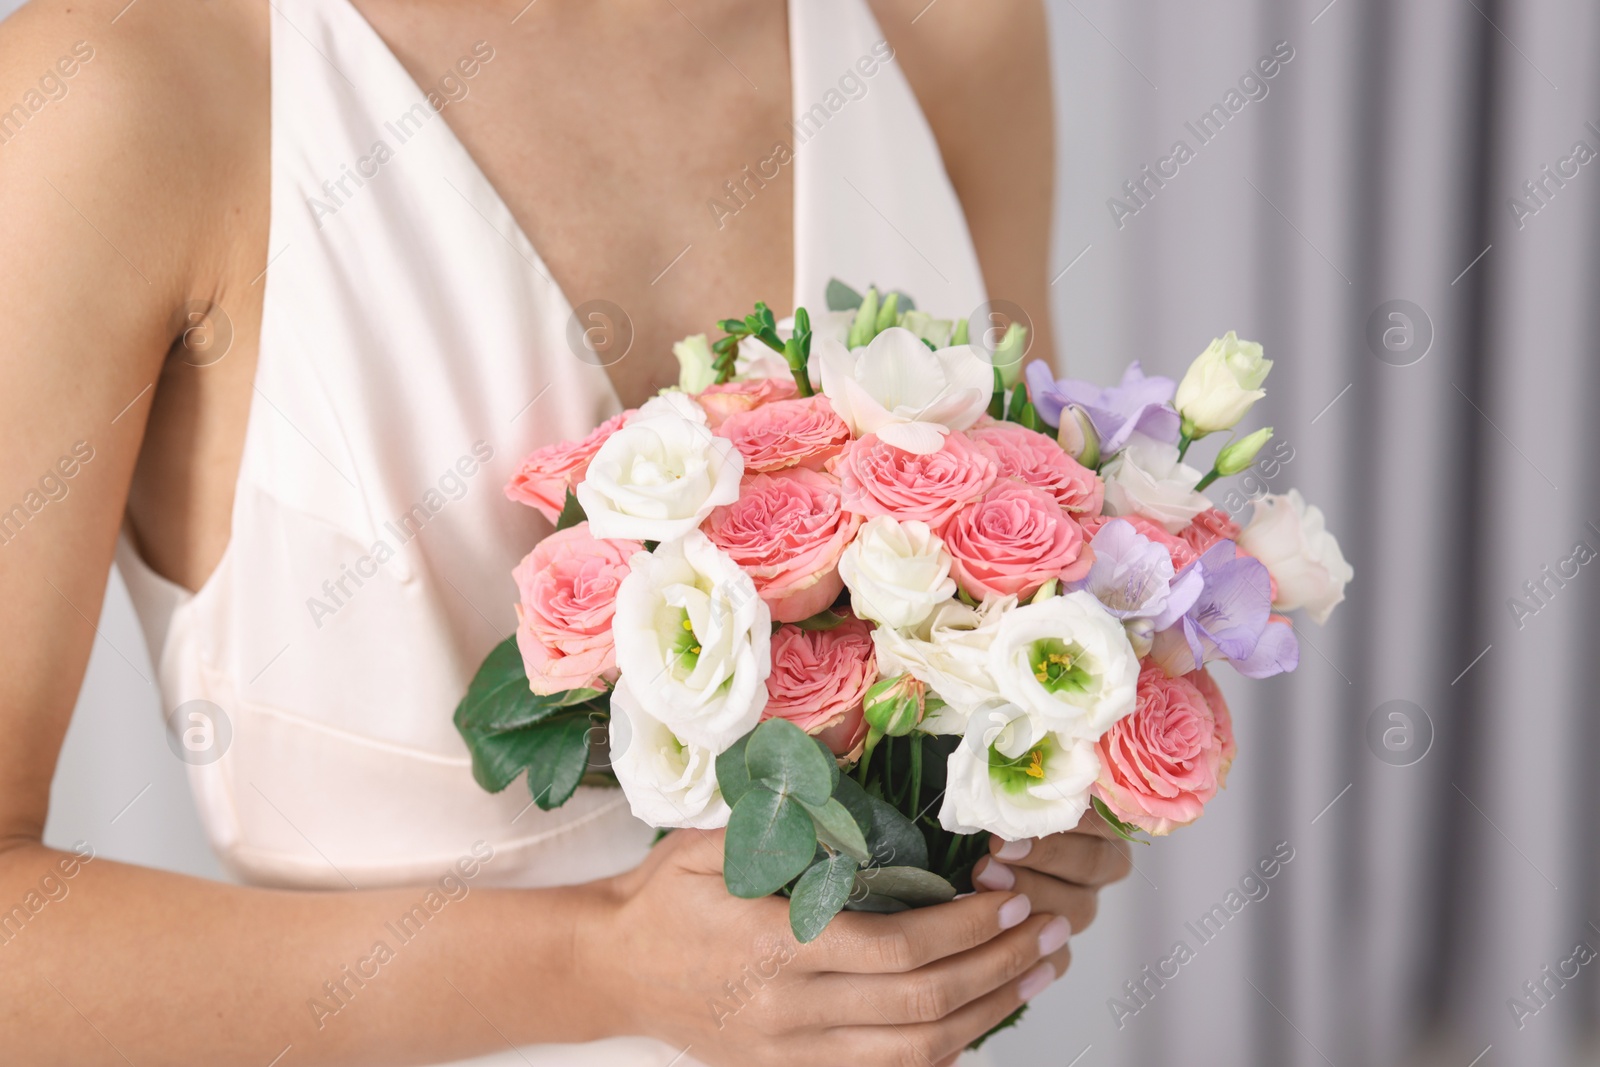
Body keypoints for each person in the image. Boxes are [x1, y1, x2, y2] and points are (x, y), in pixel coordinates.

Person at [0, 0, 1131, 1063]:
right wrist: (596, 964)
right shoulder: (123, 86)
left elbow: (1035, 571)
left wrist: (1015, 827)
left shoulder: (943, 29)